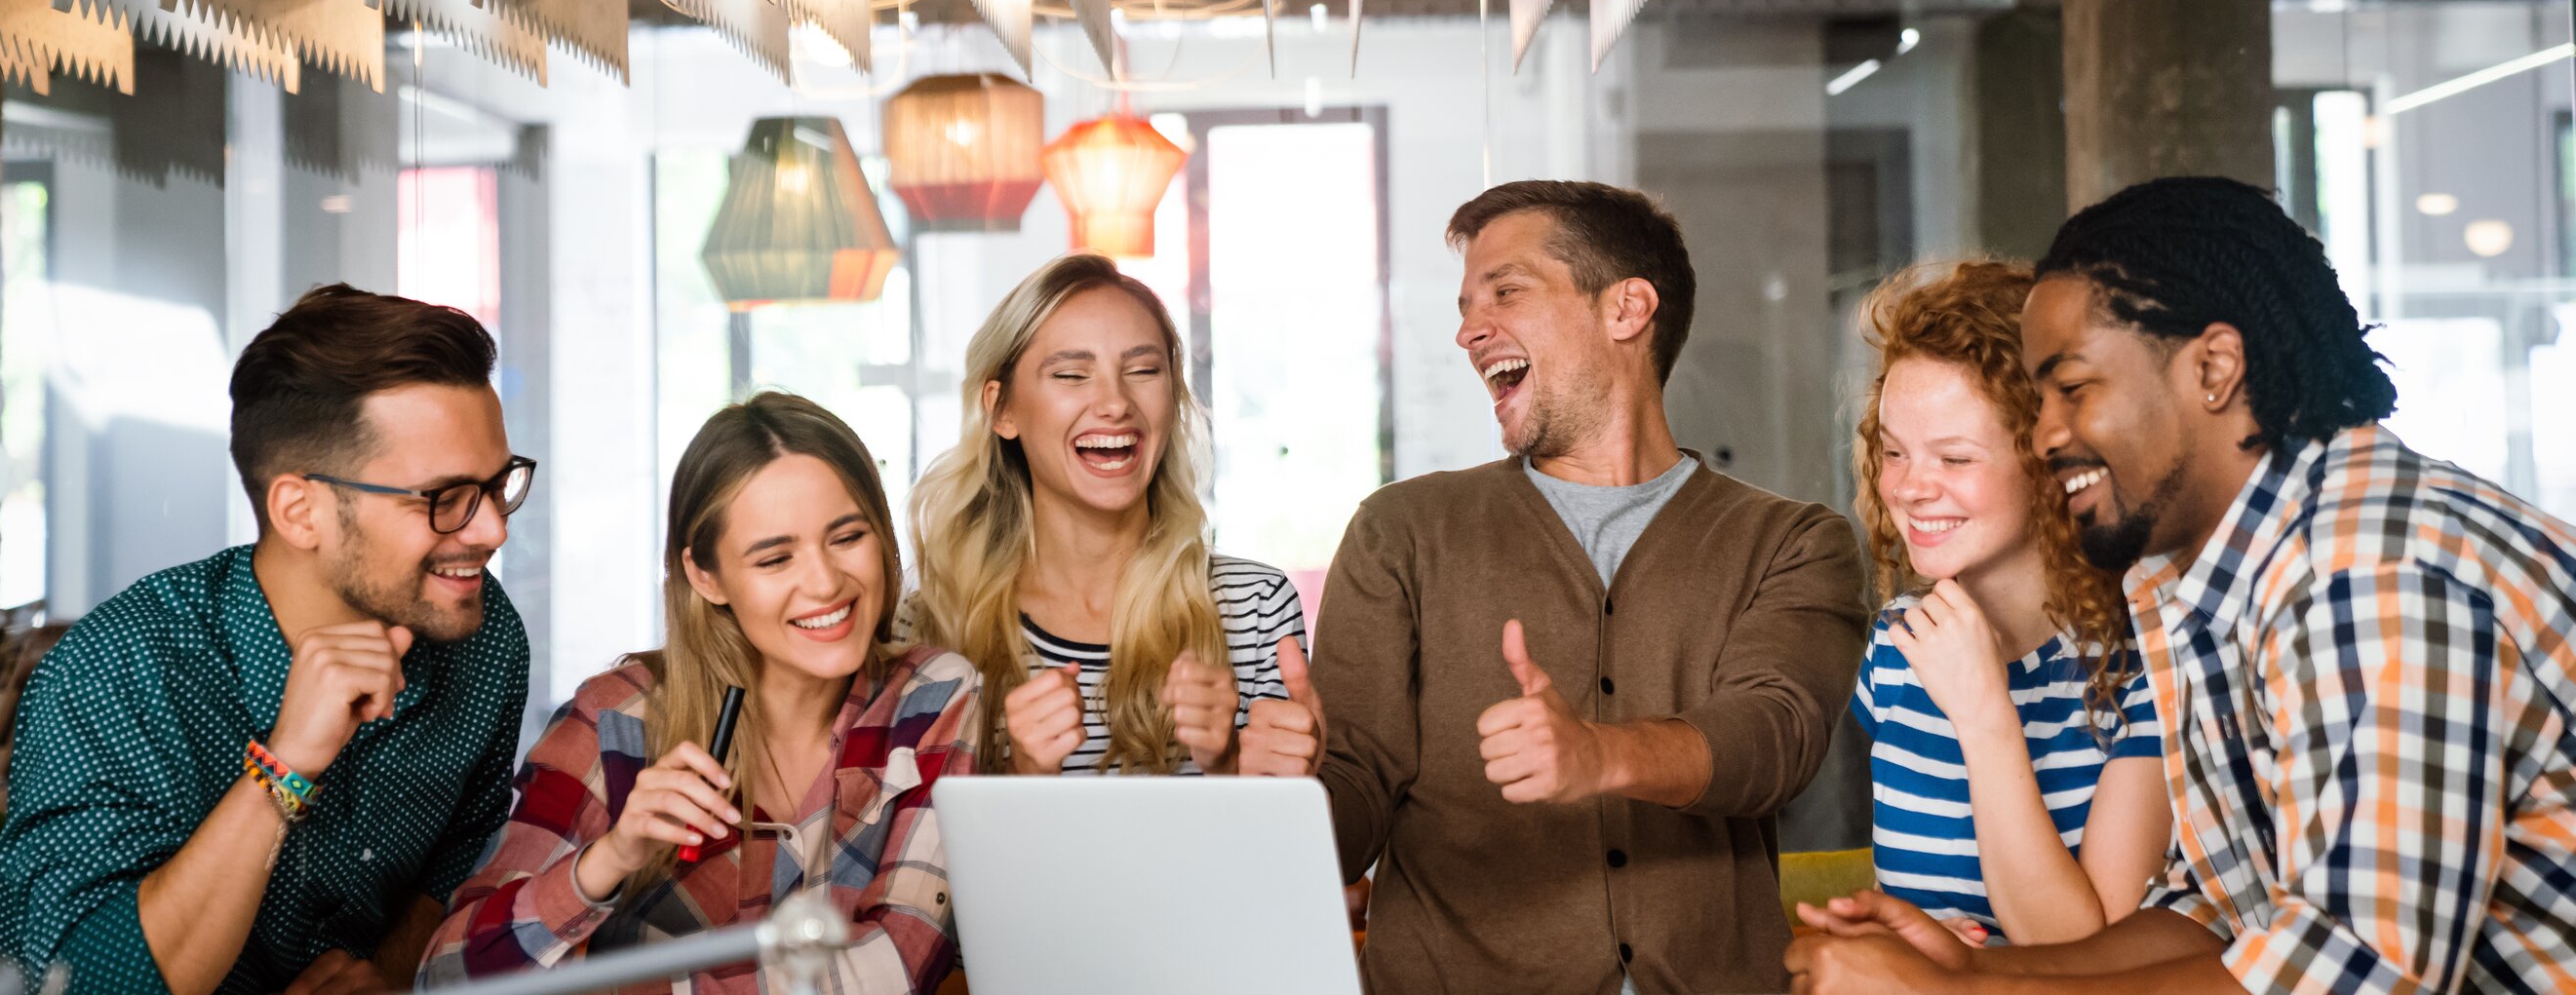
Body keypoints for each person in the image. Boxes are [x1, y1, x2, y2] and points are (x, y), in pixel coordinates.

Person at [1787, 176, 2576, 993]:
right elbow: (2222, 919)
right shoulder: (2196, 587)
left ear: (2213, 370)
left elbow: (2357, 973)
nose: (2047, 433)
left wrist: (1972, 993)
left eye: (2071, 390)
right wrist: (1980, 965)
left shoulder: (2369, 575)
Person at [1271, 180, 1871, 993]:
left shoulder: (1794, 543)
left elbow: (1774, 738)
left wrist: (1599, 754)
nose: (1468, 331)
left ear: (1627, 309)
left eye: (1507, 291)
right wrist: (1290, 791)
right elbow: (1347, 817)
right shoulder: (1400, 531)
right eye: (1465, 304)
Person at [0, 285, 533, 994]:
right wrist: (283, 767)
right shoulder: (117, 671)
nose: (492, 529)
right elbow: (77, 983)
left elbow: (463, 852)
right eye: (445, 498)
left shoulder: (483, 639)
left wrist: (393, 974)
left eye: (498, 486)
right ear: (300, 511)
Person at [420, 393, 977, 994]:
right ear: (705, 576)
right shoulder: (615, 719)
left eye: (846, 538)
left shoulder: (933, 696)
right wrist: (610, 857)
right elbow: (448, 977)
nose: (824, 582)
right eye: (775, 558)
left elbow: (897, 968)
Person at [1847, 260, 2167, 947]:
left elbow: (2087, 954)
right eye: (1894, 452)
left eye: (1954, 459)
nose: (1909, 488)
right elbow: (1905, 899)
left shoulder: (2146, 665)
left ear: (2051, 462)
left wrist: (1984, 712)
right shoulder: (1896, 650)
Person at [908, 252, 1306, 779]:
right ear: (1001, 409)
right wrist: (1019, 781)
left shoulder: (1254, 609)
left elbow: (1280, 851)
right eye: (1072, 374)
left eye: (1143, 371)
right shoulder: (932, 622)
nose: (1115, 403)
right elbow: (910, 858)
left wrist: (1231, 767)